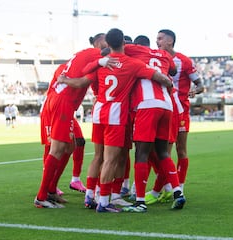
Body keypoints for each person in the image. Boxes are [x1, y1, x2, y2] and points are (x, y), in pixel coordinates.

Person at [58, 28, 173, 213]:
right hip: (116, 114)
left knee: (98, 156)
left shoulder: (102, 64)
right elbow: (157, 76)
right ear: (124, 43)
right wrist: (168, 83)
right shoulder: (133, 63)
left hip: (99, 111)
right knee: (112, 159)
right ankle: (104, 201)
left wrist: (95, 63)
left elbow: (84, 75)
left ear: (108, 44)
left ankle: (90, 195)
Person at [34, 33, 109, 208]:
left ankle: (51, 190)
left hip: (62, 101)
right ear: (99, 43)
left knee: (70, 145)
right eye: (107, 43)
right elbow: (83, 81)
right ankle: (41, 196)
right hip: (63, 102)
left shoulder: (81, 57)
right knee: (57, 148)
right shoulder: (95, 54)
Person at [121, 35, 184, 212]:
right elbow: (172, 70)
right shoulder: (163, 54)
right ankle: (178, 192)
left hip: (147, 104)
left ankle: (140, 202)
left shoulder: (133, 50)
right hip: (166, 105)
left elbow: (113, 50)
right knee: (163, 152)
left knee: (142, 153)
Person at [156, 29, 204, 199]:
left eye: (160, 38)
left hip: (181, 110)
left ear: (170, 41)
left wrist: (194, 91)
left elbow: (200, 85)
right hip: (163, 109)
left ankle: (179, 187)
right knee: (162, 151)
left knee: (180, 150)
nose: (157, 41)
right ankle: (167, 187)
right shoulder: (156, 58)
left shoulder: (183, 60)